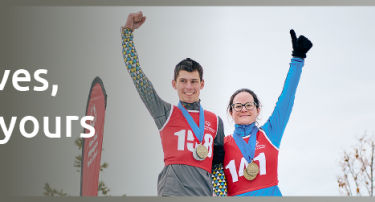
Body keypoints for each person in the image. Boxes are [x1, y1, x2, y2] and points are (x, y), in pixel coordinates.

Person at [121, 11, 227, 196]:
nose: (188, 87)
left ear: (202, 84)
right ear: (174, 83)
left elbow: (218, 170)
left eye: (194, 81)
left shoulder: (215, 122)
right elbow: (137, 76)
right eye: (183, 81)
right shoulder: (165, 113)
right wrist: (128, 34)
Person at [221, 29, 312, 196]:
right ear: (230, 111)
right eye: (238, 106)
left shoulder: (270, 134)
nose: (244, 109)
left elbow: (287, 99)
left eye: (248, 105)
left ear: (258, 109)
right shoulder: (222, 145)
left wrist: (297, 59)